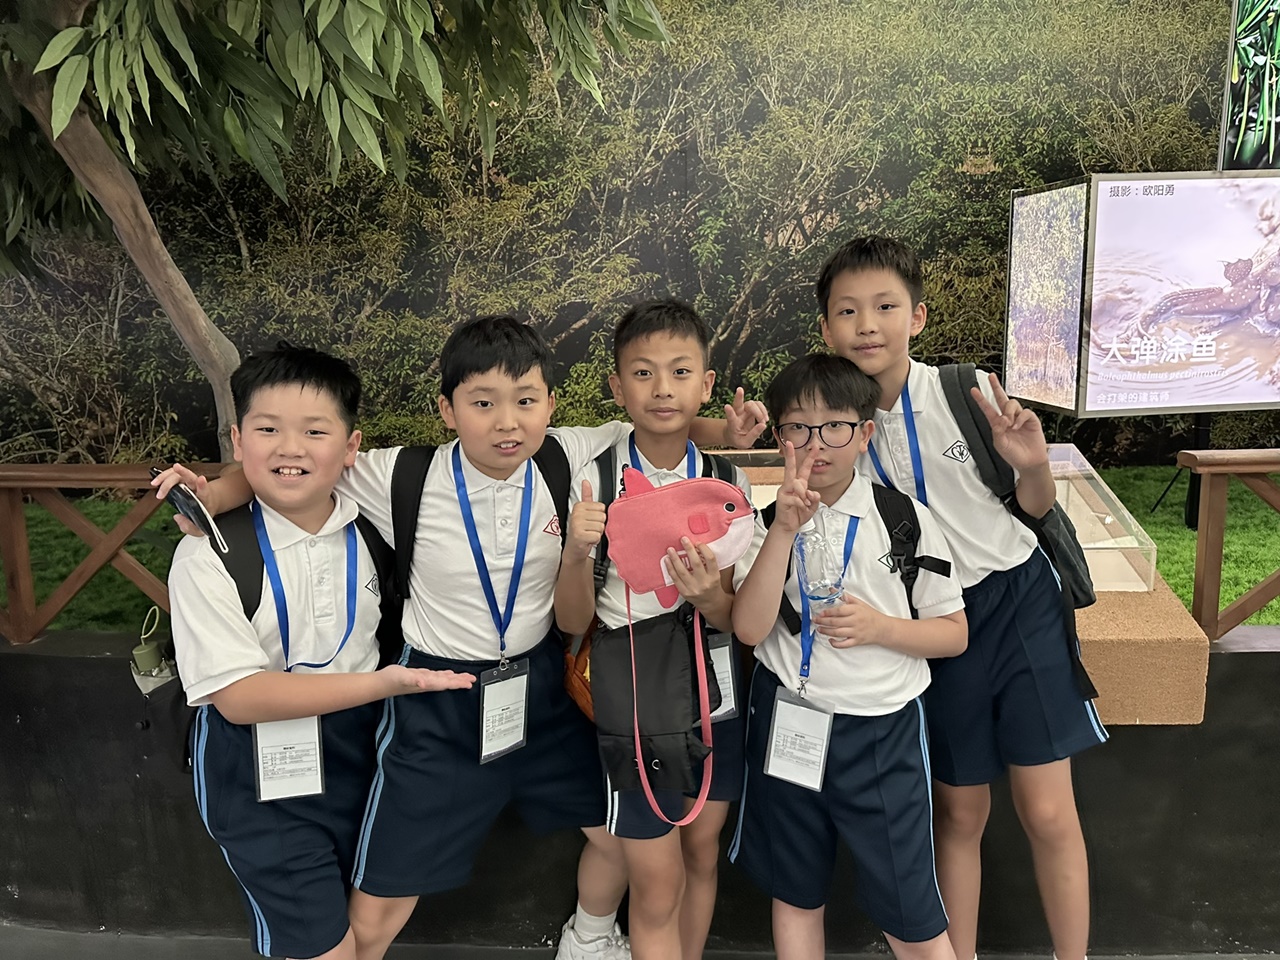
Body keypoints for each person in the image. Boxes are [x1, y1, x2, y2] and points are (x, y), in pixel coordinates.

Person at [156, 316, 768, 960]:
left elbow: (657, 421)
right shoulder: (399, 474)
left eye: (525, 401)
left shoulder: (567, 453)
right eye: (481, 403)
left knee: (620, 835)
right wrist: (215, 494)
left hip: (541, 688)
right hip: (434, 696)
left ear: (550, 406)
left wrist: (726, 434)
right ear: (447, 410)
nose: (507, 423)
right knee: (385, 894)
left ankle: (588, 937)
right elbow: (296, 464)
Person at [817, 235, 1108, 960]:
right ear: (826, 328)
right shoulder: (837, 427)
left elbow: (1033, 506)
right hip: (935, 625)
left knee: (1047, 811)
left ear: (917, 316)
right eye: (847, 311)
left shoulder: (964, 391)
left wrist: (1033, 466)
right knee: (959, 812)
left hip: (1020, 605)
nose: (867, 325)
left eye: (885, 306)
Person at [167, 344, 474, 960]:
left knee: (367, 933)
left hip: (369, 756)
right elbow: (239, 699)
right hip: (260, 772)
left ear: (351, 446)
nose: (291, 448)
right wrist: (388, 683)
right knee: (323, 947)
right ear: (237, 440)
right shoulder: (209, 554)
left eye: (314, 431)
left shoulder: (378, 528)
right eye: (267, 430)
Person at [729, 353, 966, 960]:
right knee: (795, 889)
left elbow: (953, 634)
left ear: (864, 434)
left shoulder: (903, 519)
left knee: (910, 907)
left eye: (834, 426)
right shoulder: (763, 523)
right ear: (780, 438)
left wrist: (881, 628)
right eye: (798, 428)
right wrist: (783, 529)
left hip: (882, 732)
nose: (817, 444)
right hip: (790, 720)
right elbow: (749, 629)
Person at [553, 299, 752, 960]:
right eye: (642, 373)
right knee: (658, 882)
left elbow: (732, 616)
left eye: (679, 371)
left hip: (713, 688)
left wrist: (710, 597)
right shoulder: (594, 478)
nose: (662, 388)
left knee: (701, 852)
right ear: (617, 387)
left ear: (706, 383)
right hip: (633, 693)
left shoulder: (726, 480)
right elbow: (572, 621)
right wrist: (576, 552)